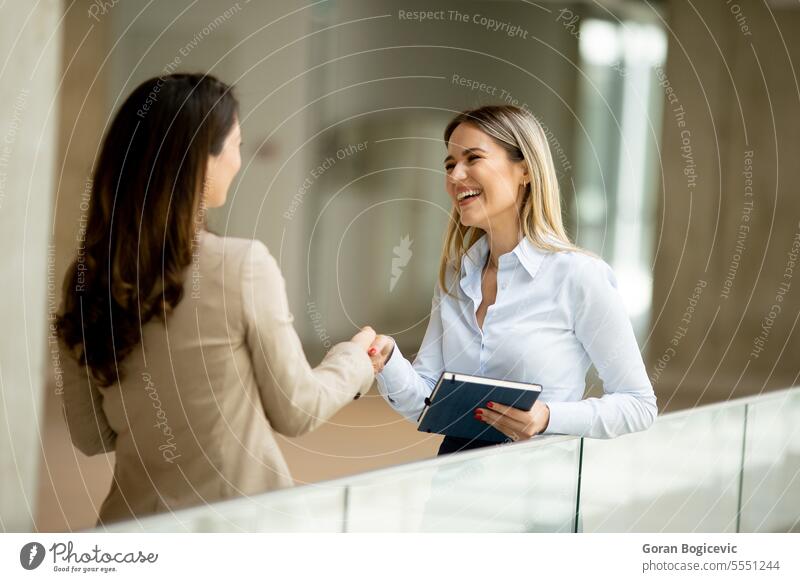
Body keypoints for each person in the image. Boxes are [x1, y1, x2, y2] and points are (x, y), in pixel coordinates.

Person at [55, 73, 375, 524]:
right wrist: (356, 360)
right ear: (200, 161)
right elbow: (297, 410)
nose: (239, 161)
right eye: (236, 144)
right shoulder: (244, 265)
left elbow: (92, 435)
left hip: (129, 533)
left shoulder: (82, 278)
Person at [367, 105, 657, 455]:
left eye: (472, 158)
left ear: (525, 171)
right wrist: (387, 360)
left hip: (538, 491)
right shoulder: (456, 274)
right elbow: (427, 402)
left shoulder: (578, 276)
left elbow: (639, 405)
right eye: (449, 164)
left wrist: (548, 417)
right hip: (451, 484)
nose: (455, 176)